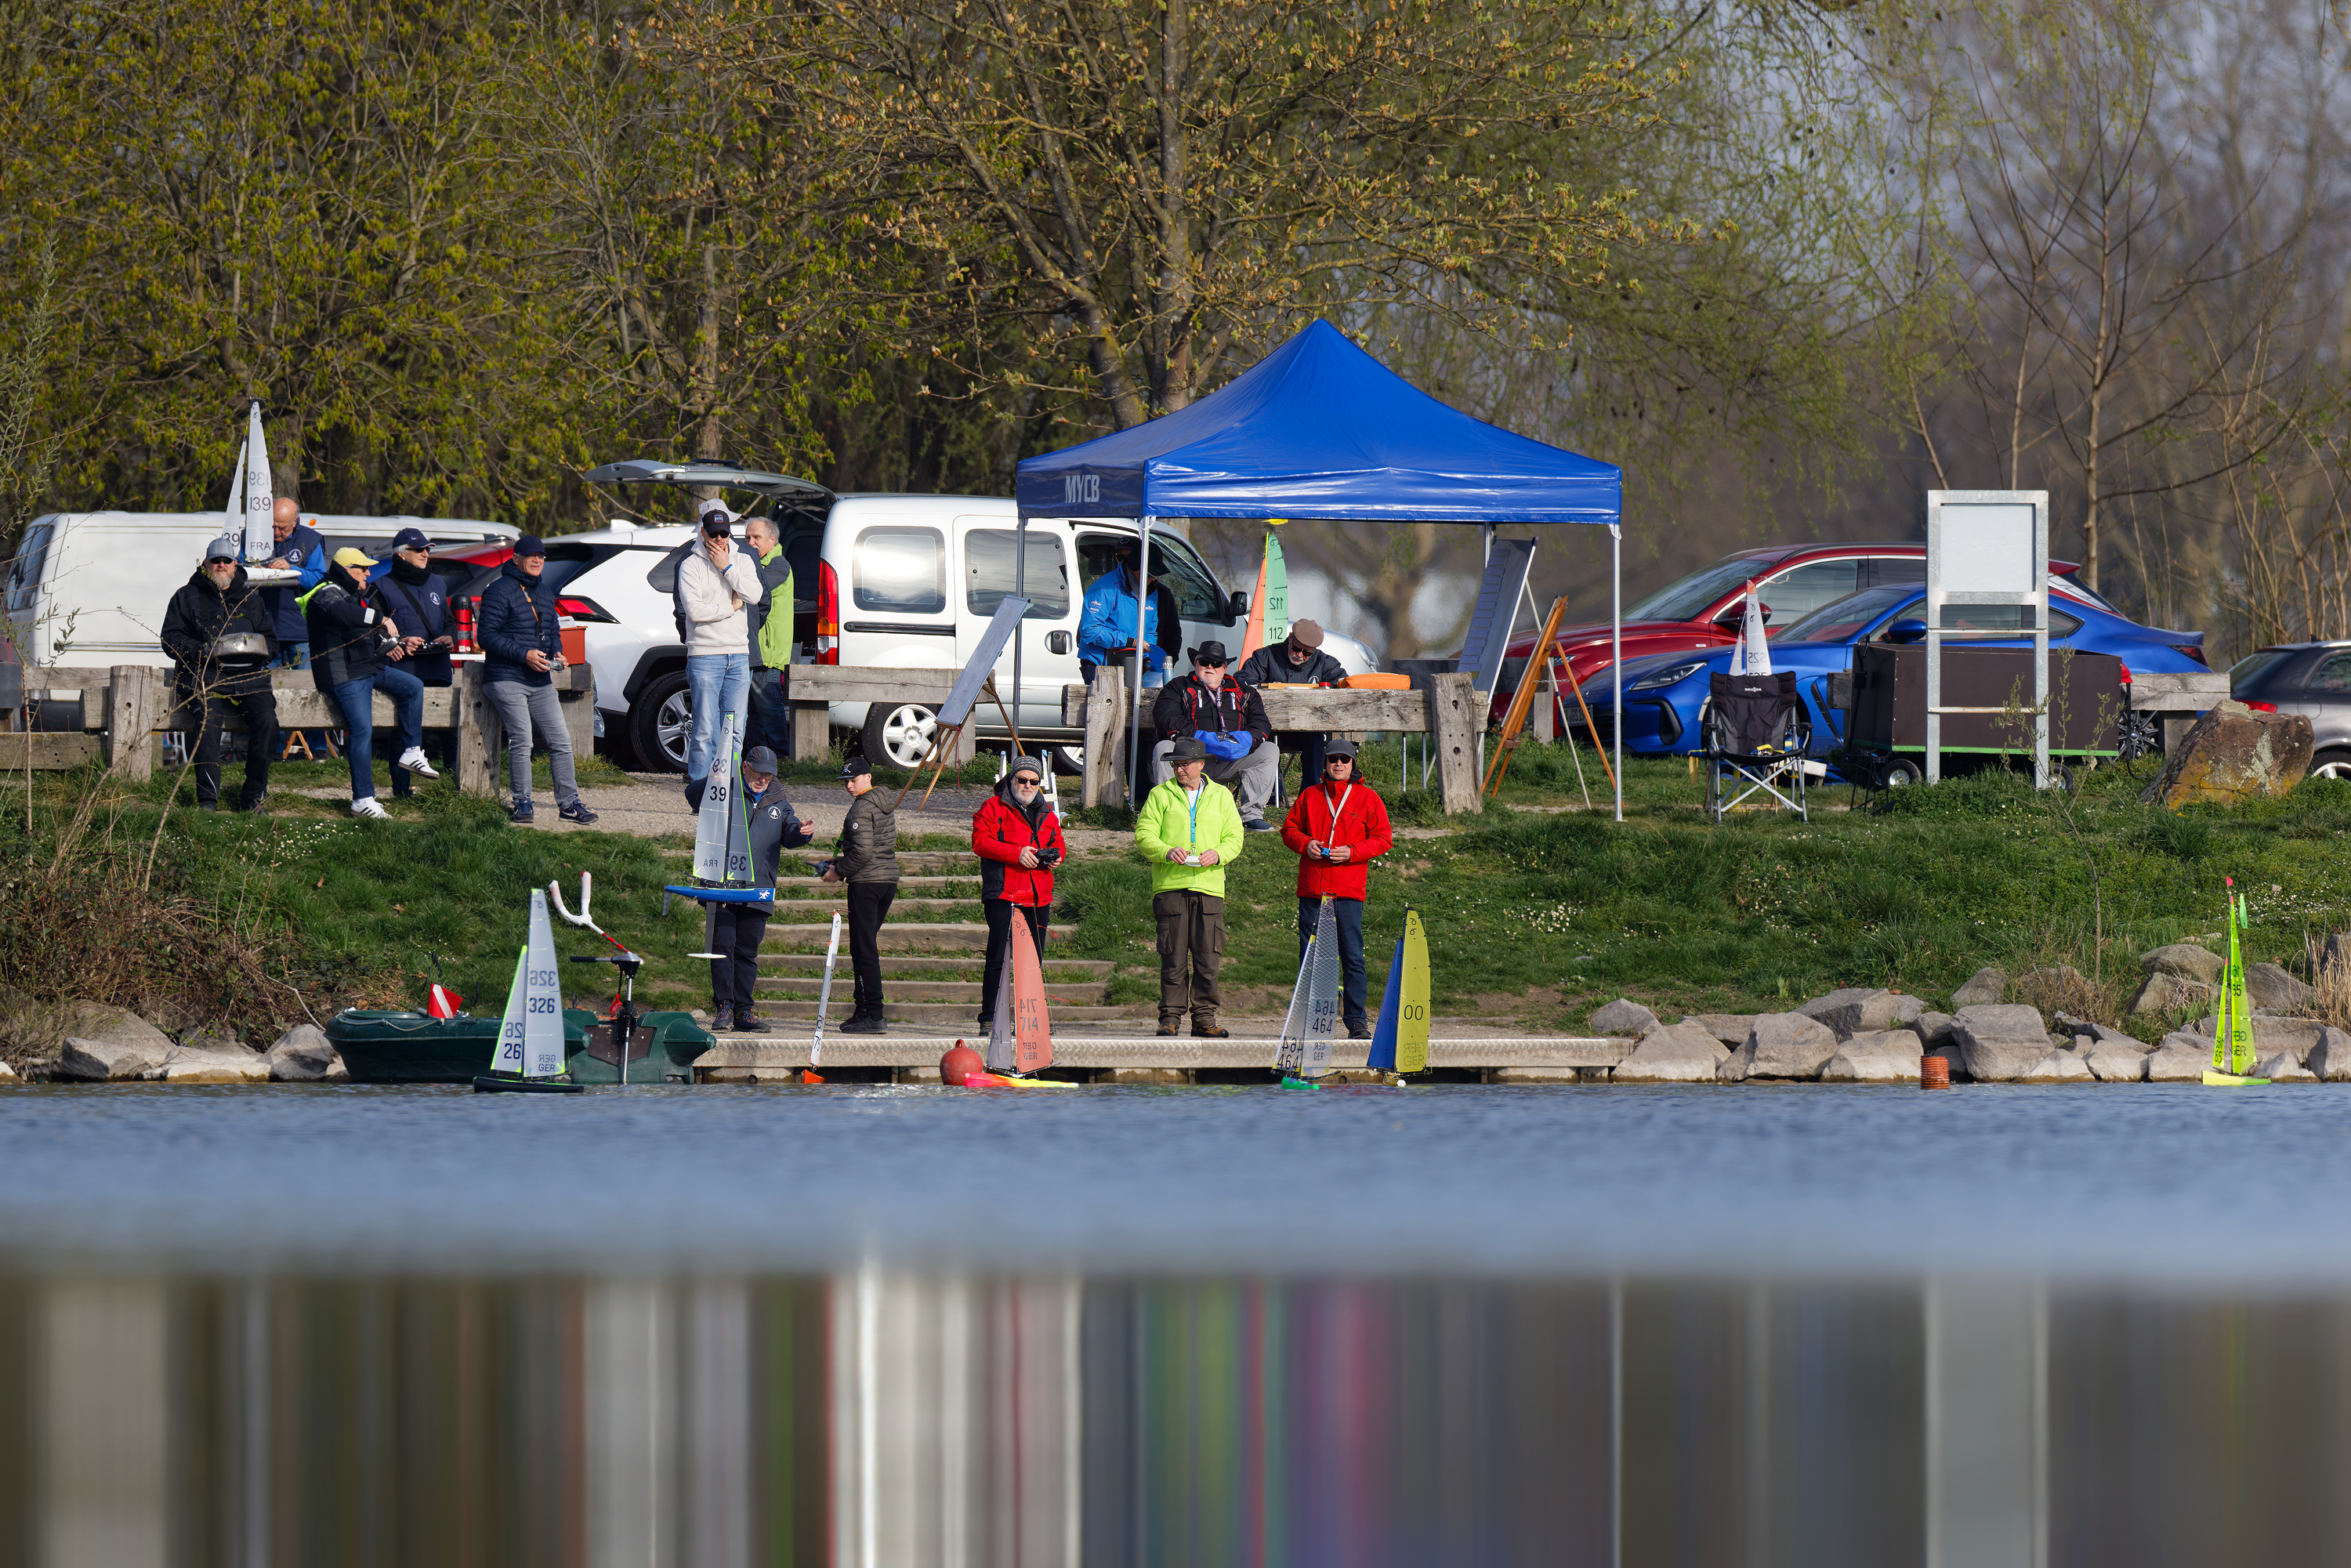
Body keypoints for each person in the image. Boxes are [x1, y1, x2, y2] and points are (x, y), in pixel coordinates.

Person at [299, 546, 435, 819]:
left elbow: (360, 633)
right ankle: (362, 800)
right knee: (362, 731)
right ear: (347, 570)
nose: (368, 574)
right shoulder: (326, 593)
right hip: (343, 675)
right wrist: (379, 618)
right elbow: (341, 614)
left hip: (367, 669)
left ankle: (411, 751)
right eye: (363, 569)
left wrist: (394, 643)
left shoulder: (352, 594)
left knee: (413, 687)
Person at [1278, 738, 1394, 1039]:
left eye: (1344, 759)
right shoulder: (1309, 795)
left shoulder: (1368, 798)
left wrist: (1352, 852)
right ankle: (1312, 1020)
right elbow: (1288, 830)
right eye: (1333, 759)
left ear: (1353, 764)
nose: (1338, 764)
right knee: (1311, 959)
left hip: (1348, 890)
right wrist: (1306, 844)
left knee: (1352, 957)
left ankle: (1356, 1020)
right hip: (1313, 889)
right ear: (1325, 763)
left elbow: (1383, 838)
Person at [478, 534, 597, 826]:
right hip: (506, 677)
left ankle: (569, 805)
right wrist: (525, 655)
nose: (537, 560)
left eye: (541, 556)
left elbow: (553, 630)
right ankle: (522, 803)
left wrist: (557, 652)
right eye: (531, 555)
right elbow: (486, 636)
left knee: (561, 741)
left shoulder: (544, 591)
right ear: (515, 558)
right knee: (522, 740)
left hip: (540, 678)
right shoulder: (498, 590)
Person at [158, 535, 278, 813]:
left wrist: (260, 651)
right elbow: (170, 639)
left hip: (249, 678)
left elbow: (272, 640)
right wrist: (201, 650)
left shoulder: (251, 599)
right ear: (206, 563)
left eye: (227, 560)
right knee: (208, 723)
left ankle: (253, 798)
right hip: (205, 677)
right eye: (216, 560)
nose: (221, 565)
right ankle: (208, 801)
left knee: (268, 723)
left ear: (236, 564)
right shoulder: (186, 596)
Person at [1137, 736, 1244, 1037]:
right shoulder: (1160, 794)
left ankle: (1204, 1019)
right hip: (1170, 886)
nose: (1179, 770)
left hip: (1209, 888)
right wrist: (1166, 851)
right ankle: (1170, 1018)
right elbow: (1144, 834)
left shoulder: (1222, 796)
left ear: (1201, 765)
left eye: (1185, 764)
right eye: (1176, 765)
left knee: (1208, 958)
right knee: (1172, 957)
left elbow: (1235, 836)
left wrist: (1218, 854)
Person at [710, 744, 812, 1034]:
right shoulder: (726, 789)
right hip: (724, 885)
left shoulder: (778, 798)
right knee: (722, 948)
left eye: (769, 775)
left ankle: (744, 1011)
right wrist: (717, 775)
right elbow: (694, 795)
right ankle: (724, 1007)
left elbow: (790, 833)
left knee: (747, 952)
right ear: (745, 767)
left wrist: (802, 833)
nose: (763, 779)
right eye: (759, 773)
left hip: (759, 888)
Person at [678, 502, 766, 807]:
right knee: (705, 730)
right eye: (713, 533)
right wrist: (731, 606)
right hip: (705, 655)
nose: (719, 540)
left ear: (730, 534)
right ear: (702, 532)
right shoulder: (690, 565)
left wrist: (727, 567)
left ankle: (727, 796)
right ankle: (701, 798)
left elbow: (755, 595)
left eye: (724, 534)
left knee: (735, 730)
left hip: (739, 656)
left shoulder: (741, 560)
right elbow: (695, 612)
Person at [971, 755, 1067, 1030]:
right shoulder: (993, 807)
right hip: (1004, 893)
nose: (1028, 785)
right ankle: (989, 1018)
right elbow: (980, 842)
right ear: (1011, 779)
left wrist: (1058, 856)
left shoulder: (1047, 812)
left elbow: (1058, 842)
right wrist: (1017, 853)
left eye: (1034, 782)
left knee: (1033, 962)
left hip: (1038, 896)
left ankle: (1030, 1021)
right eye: (1022, 780)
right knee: (997, 959)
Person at [1150, 640, 1280, 830]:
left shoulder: (1245, 692)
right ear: (1195, 663)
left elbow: (1261, 723)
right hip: (1192, 758)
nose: (1210, 667)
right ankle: (1172, 813)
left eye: (1216, 663)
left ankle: (1250, 815)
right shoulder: (1178, 687)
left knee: (1269, 750)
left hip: (1233, 759)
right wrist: (1199, 738)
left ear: (1225, 668)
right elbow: (1167, 718)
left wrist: (1246, 740)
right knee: (1164, 749)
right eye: (1204, 662)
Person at [371, 527, 455, 800]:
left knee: (451, 727)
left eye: (427, 549)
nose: (425, 554)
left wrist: (450, 637)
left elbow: (450, 621)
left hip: (438, 666)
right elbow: (373, 631)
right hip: (404, 670)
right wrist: (400, 642)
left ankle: (456, 788)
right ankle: (401, 791)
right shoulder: (381, 587)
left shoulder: (438, 584)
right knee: (402, 730)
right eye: (419, 550)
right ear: (401, 554)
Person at [825, 755, 899, 1034]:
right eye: (845, 781)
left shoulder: (861, 808)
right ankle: (864, 1010)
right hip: (887, 880)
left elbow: (864, 853)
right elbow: (876, 847)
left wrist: (838, 871)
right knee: (861, 946)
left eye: (853, 780)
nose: (849, 786)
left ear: (868, 777)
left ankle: (874, 1014)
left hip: (867, 882)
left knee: (864, 947)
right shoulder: (883, 802)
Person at [1238, 618, 1351, 788]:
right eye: (1297, 649)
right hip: (1270, 729)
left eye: (1307, 653)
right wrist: (1267, 688)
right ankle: (1272, 791)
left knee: (1316, 740)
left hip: (1307, 730)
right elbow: (1243, 680)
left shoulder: (1324, 662)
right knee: (1264, 744)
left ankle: (1310, 792)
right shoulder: (1266, 656)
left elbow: (1343, 681)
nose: (1300, 655)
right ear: (1290, 638)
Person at [256, 497, 327, 759]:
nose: (276, 532)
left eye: (282, 528)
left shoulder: (311, 540)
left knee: (308, 688)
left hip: (301, 631)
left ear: (295, 522)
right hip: (266, 632)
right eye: (272, 526)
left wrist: (294, 570)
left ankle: (317, 748)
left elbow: (319, 579)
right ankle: (273, 749)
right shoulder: (253, 537)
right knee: (268, 692)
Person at [743, 512, 795, 760]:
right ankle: (756, 763)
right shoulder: (757, 563)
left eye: (757, 537)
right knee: (754, 715)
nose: (751, 542)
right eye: (747, 538)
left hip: (768, 655)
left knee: (770, 713)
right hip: (755, 653)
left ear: (772, 540)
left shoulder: (778, 565)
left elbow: (756, 588)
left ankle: (782, 759)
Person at [1077, 541, 1164, 686]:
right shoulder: (1104, 589)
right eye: (1150, 574)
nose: (1153, 579)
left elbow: (1150, 631)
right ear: (1135, 567)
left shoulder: (1152, 591)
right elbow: (1090, 630)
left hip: (1133, 664)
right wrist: (1131, 642)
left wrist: (1148, 656)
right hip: (1100, 665)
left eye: (1157, 575)